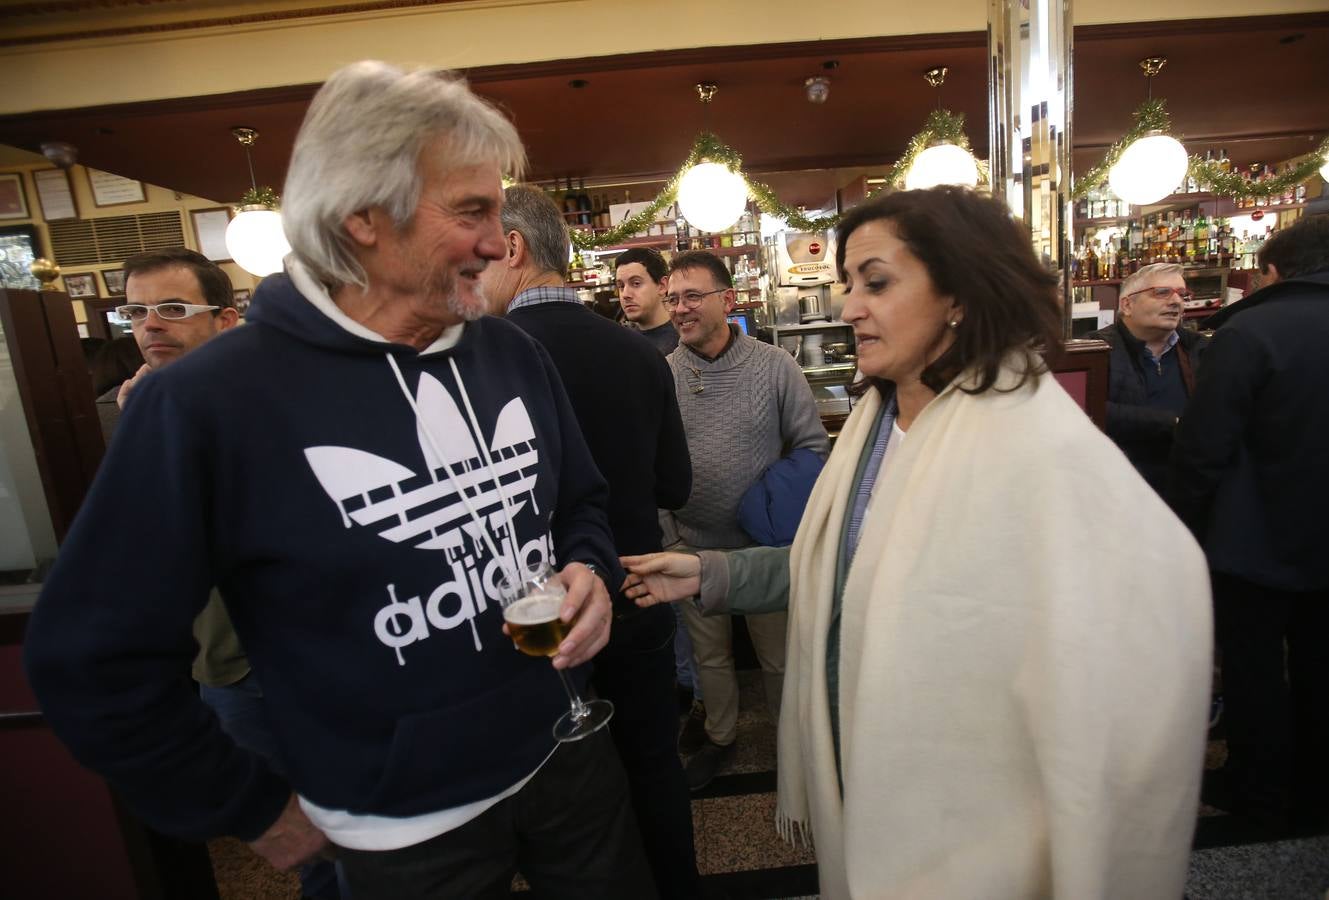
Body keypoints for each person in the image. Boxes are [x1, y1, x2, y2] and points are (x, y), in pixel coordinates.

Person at [25, 61, 655, 900]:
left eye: (498, 212)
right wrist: (248, 806)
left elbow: (581, 503)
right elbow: (91, 659)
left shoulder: (511, 352)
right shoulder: (206, 401)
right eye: (470, 211)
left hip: (568, 756)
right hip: (394, 829)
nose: (499, 242)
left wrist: (589, 568)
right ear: (362, 216)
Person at [624, 187, 1212, 900]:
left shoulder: (1028, 445)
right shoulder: (878, 422)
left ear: (959, 292)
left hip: (976, 824)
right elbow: (844, 567)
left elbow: (1140, 633)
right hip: (873, 775)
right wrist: (706, 572)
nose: (847, 308)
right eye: (847, 284)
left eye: (875, 281)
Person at [98, 248, 344, 900]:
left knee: (363, 829)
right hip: (227, 667)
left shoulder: (285, 401)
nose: (152, 325)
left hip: (322, 654)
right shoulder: (116, 418)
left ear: (228, 320)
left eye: (173, 310)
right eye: (136, 311)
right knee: (306, 845)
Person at [481, 183, 700, 898]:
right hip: (637, 584)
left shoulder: (488, 363)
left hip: (538, 609)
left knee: (562, 792)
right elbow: (675, 485)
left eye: (480, 253)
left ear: (513, 248)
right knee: (652, 763)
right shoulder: (639, 354)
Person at [1171, 213, 1329, 833]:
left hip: (1255, 536)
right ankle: (1317, 790)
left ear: (1269, 272)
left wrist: (1182, 527)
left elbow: (1204, 447)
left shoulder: (1247, 334)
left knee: (1254, 668)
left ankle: (1260, 789)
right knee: (1322, 666)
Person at [664, 249, 829, 791]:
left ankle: (791, 742)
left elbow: (810, 448)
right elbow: (652, 463)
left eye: (692, 296)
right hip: (693, 545)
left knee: (779, 658)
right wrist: (670, 535)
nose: (680, 309)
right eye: (672, 299)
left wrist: (784, 523)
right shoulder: (662, 375)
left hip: (767, 549)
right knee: (711, 659)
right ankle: (720, 736)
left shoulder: (774, 366)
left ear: (727, 300)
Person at [1087, 262, 1207, 494]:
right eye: (1162, 293)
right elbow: (1090, 410)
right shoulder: (1098, 350)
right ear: (1127, 305)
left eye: (1182, 295)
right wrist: (1171, 423)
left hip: (1188, 487)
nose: (1176, 301)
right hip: (1122, 488)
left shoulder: (1199, 349)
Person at [615, 247, 678, 354]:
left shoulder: (684, 340)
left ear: (662, 286)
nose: (625, 294)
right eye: (621, 286)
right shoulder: (620, 342)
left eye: (636, 283)